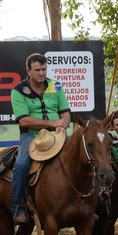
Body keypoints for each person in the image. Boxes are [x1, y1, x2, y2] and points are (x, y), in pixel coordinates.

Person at [10, 53, 71, 223]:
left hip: (57, 133)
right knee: (21, 164)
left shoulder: (56, 86)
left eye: (44, 69)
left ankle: (89, 201)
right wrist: (53, 123)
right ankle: (18, 206)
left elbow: (65, 112)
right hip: (31, 135)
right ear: (28, 70)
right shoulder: (18, 90)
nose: (41, 73)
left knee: (82, 153)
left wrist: (63, 124)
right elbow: (24, 120)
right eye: (37, 70)